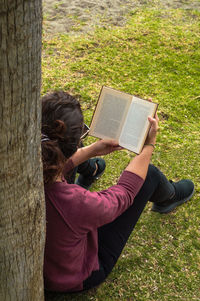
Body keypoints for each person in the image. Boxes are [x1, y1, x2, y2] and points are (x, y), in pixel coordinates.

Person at [41, 91, 194, 293]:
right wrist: (149, 144)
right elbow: (125, 193)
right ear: (74, 142)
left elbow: (56, 162)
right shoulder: (75, 202)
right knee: (149, 175)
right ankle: (169, 196)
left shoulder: (28, 165)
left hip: (49, 262)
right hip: (76, 276)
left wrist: (93, 149)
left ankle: (93, 170)